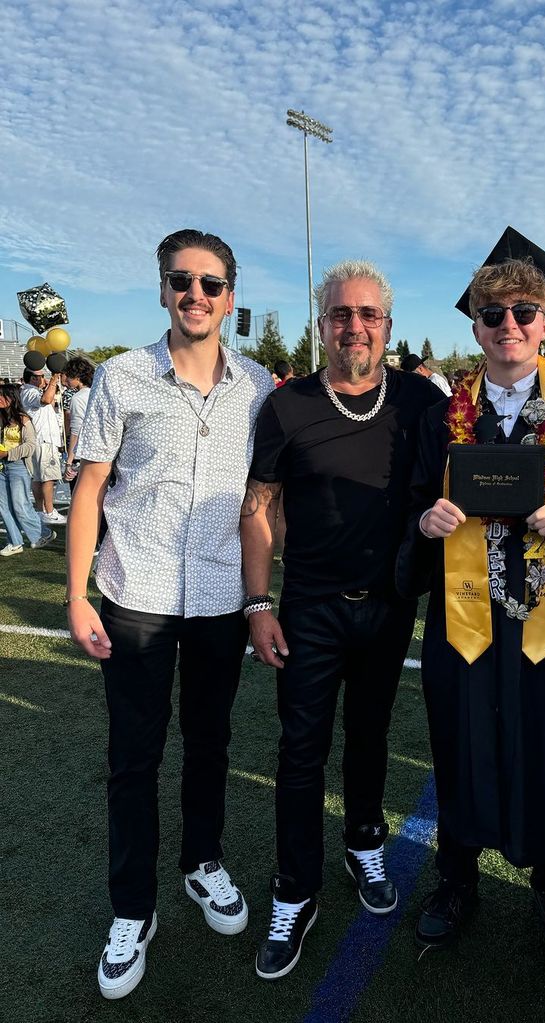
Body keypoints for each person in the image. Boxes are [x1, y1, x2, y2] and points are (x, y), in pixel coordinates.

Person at [65, 228, 274, 1000]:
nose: (196, 294)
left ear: (229, 295)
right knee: (133, 757)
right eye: (181, 280)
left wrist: (261, 596)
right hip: (136, 594)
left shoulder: (256, 387)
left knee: (210, 742)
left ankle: (202, 862)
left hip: (219, 598)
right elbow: (89, 490)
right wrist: (76, 592)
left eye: (211, 283)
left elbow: (260, 502)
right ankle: (132, 909)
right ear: (161, 289)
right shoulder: (121, 376)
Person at [397, 243, 545, 962]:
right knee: (460, 739)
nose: (507, 326)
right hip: (467, 618)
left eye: (523, 313)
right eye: (492, 315)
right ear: (475, 328)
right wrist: (424, 523)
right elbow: (412, 501)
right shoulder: (440, 418)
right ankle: (455, 879)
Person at [240, 259, 440, 981]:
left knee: (371, 735)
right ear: (320, 324)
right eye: (339, 314)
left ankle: (362, 839)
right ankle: (295, 888)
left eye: (367, 314)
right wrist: (258, 602)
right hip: (310, 609)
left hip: (388, 606)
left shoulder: (420, 399)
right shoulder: (288, 404)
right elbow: (260, 504)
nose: (353, 325)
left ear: (386, 324)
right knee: (301, 750)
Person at [0, 383, 57, 554]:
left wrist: (7, 454)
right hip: (2, 466)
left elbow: (31, 446)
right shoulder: (1, 417)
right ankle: (14, 542)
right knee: (3, 506)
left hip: (18, 466)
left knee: (20, 504)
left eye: (2, 396)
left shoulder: (24, 419)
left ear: (11, 398)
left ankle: (43, 533)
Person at [19, 366, 66, 524]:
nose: (43, 379)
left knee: (39, 478)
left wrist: (50, 386)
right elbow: (46, 400)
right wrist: (53, 381)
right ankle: (50, 511)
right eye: (40, 376)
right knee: (48, 478)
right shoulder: (30, 391)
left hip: (40, 440)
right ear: (33, 378)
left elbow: (49, 402)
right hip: (44, 440)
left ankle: (40, 511)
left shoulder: (30, 391)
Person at [61, 356, 96, 485]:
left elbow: (76, 431)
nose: (66, 380)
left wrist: (69, 461)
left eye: (69, 376)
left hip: (82, 455)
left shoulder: (77, 398)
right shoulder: (96, 393)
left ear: (77, 377)